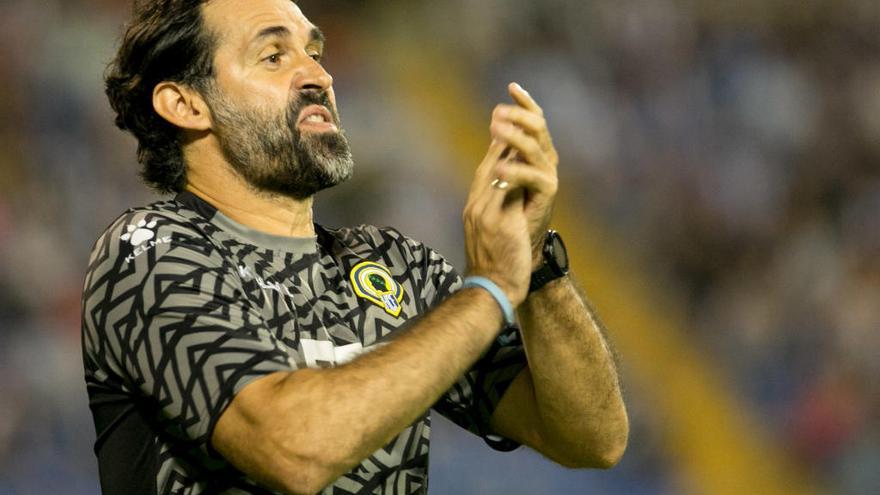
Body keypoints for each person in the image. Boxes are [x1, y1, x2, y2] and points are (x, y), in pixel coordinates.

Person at [81, 0, 629, 493]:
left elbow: (592, 438)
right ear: (185, 103)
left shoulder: (394, 265)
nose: (318, 75)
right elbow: (293, 449)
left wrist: (533, 266)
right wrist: (488, 291)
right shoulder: (147, 253)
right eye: (273, 56)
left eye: (314, 52)